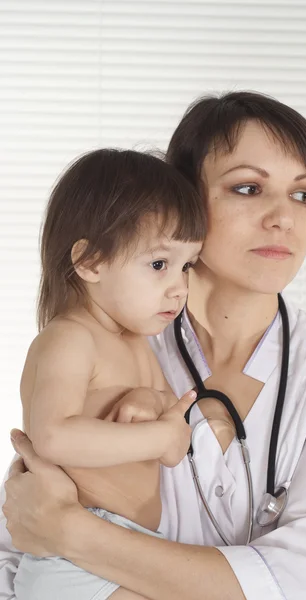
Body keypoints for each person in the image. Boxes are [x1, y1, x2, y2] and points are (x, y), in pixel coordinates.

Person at [1, 91, 306, 600]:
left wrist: (74, 533)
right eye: (249, 187)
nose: (284, 217)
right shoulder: (108, 342)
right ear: (185, 199)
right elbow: (22, 539)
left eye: (303, 194)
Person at [5, 148, 206, 600]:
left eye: (187, 266)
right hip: (73, 553)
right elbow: (54, 436)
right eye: (159, 264)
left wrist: (152, 404)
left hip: (121, 549)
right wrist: (159, 437)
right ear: (91, 261)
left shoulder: (140, 343)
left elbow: (165, 424)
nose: (180, 287)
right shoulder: (70, 338)